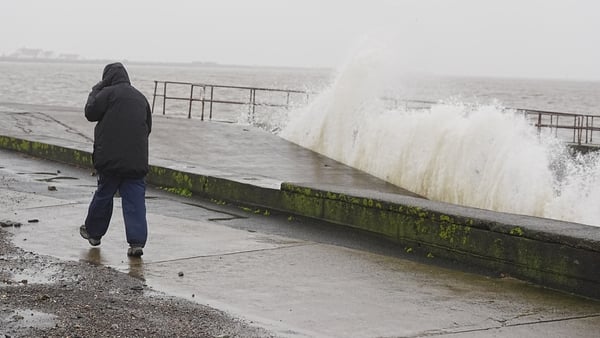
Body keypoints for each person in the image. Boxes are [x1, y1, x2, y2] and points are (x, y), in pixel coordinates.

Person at [79, 62, 152, 257]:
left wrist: (96, 88)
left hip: (110, 160)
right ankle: (136, 243)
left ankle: (94, 233)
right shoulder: (140, 98)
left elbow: (90, 112)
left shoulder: (107, 94)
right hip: (136, 161)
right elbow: (148, 128)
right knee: (135, 200)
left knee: (104, 195)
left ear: (107, 78)